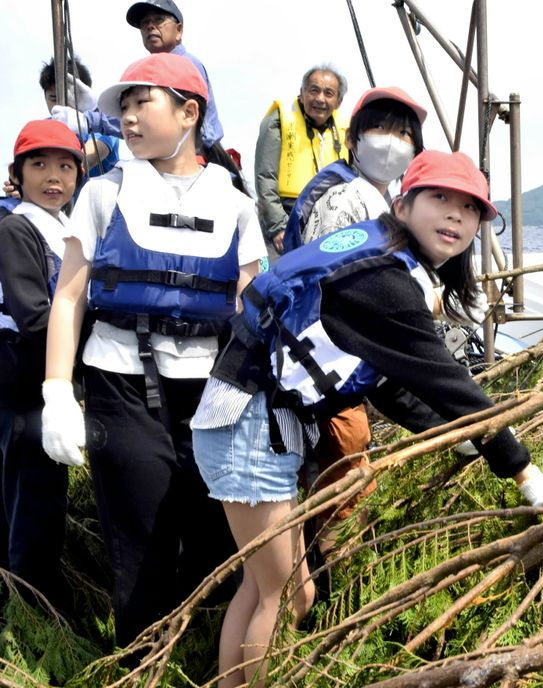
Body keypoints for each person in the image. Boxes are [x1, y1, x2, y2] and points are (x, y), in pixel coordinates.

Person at [190, 149, 543, 686]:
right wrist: (525, 473)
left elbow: (385, 379)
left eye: (470, 209)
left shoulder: (386, 260)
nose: (455, 216)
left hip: (255, 420)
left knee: (264, 588)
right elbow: (447, 381)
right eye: (439, 199)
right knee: (287, 598)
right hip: (249, 423)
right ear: (403, 205)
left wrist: (450, 434)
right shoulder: (384, 278)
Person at [39, 53, 265, 649]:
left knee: (215, 537)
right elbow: (69, 297)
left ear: (189, 112)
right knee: (139, 544)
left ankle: (198, 654)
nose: (129, 119)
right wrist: (57, 393)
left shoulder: (236, 203)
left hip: (213, 390)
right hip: (118, 382)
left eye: (143, 103)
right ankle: (140, 658)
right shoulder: (103, 194)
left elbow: (253, 308)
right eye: (125, 109)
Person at [283, 85, 427, 550]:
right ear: (354, 138)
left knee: (349, 469)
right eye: (380, 128)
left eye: (403, 134)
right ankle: (329, 575)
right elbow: (338, 293)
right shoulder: (343, 198)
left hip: (355, 366)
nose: (391, 141)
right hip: (328, 367)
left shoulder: (385, 202)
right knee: (342, 472)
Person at [0, 120, 84, 612]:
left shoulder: (56, 224)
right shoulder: (19, 227)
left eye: (65, 166)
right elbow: (37, 316)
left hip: (7, 387)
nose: (53, 177)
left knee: (2, 512)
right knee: (33, 517)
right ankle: (33, 624)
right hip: (24, 396)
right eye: (39, 165)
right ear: (16, 173)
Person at [52, 0, 224, 150]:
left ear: (178, 30)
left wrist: (89, 120)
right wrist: (96, 109)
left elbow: (152, 122)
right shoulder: (152, 69)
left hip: (197, 162)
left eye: (158, 19)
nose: (150, 26)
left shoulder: (184, 66)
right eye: (145, 23)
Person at [254, 65, 348, 255]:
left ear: (338, 101)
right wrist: (278, 227)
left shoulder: (348, 130)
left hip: (330, 222)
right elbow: (265, 176)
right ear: (302, 93)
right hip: (286, 217)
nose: (320, 98)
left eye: (328, 93)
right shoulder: (279, 120)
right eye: (314, 90)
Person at [40, 57, 120, 178]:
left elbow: (89, 159)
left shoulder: (102, 126)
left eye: (70, 99)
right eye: (53, 98)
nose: (61, 105)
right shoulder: (41, 129)